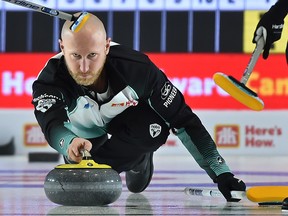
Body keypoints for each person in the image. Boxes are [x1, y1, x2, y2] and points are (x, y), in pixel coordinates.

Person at [32, 12, 246, 201]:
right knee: (78, 163)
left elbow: (183, 121)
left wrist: (222, 173)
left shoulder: (138, 70)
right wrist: (69, 143)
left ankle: (138, 157)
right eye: (75, 56)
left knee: (155, 129)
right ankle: (110, 157)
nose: (85, 67)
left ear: (107, 46)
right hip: (83, 135)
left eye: (93, 55)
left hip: (126, 122)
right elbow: (52, 124)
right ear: (62, 47)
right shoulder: (49, 80)